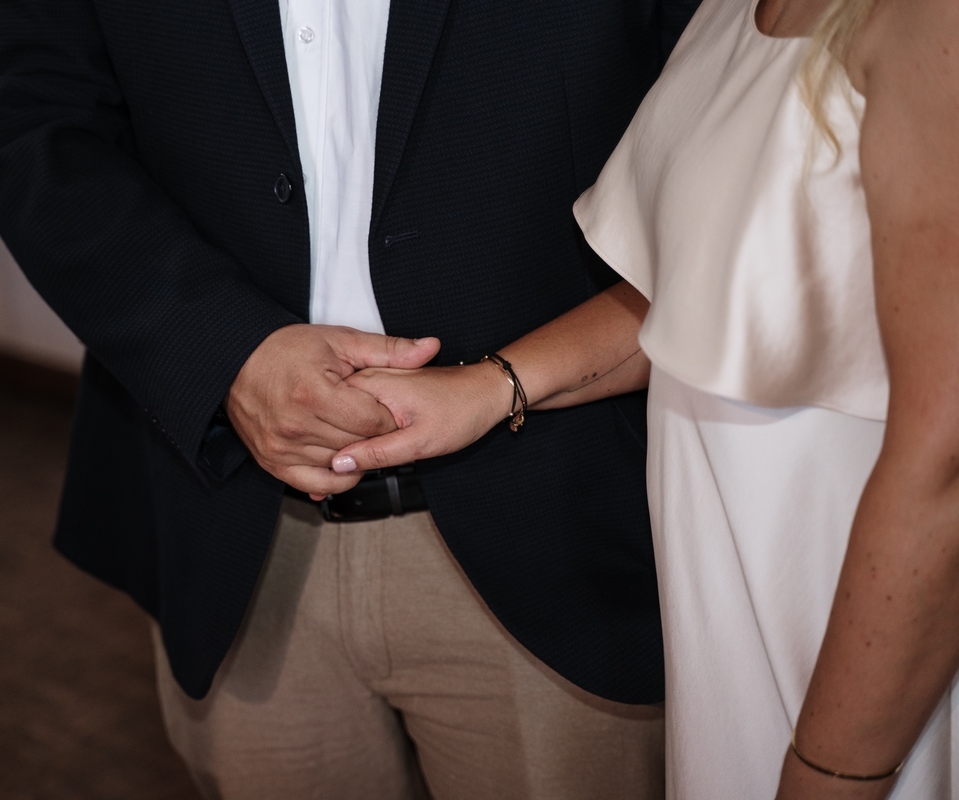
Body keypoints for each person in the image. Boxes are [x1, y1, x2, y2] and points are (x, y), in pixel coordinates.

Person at [0, 0, 700, 796]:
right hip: (233, 527)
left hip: (562, 520)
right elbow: (32, 115)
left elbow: (722, 167)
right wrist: (224, 351)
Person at [332, 0, 959, 796]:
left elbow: (945, 459)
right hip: (723, 612)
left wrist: (830, 774)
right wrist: (491, 388)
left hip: (856, 622)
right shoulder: (731, 7)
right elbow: (709, 293)